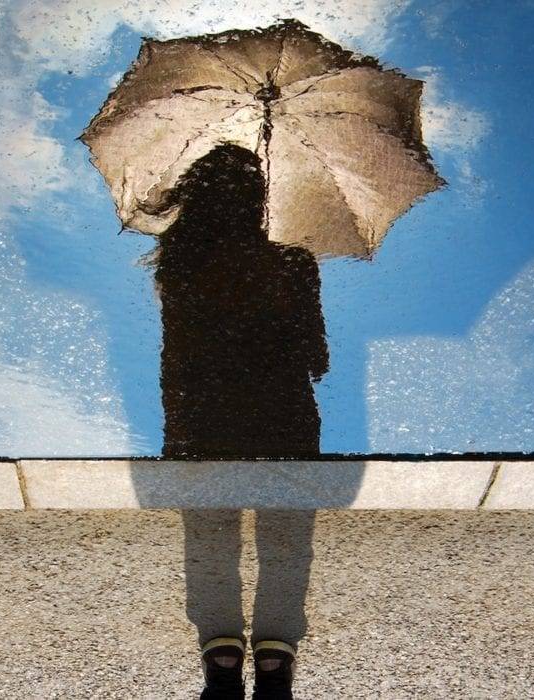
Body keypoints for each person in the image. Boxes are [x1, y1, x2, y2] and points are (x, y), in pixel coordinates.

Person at [154, 143, 328, 698]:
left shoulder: (179, 266)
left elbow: (174, 359)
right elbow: (316, 360)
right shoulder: (293, 262)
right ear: (257, 200)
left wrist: (174, 438)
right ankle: (275, 666)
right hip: (285, 422)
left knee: (209, 543)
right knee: (286, 542)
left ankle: (221, 664)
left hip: (200, 424)